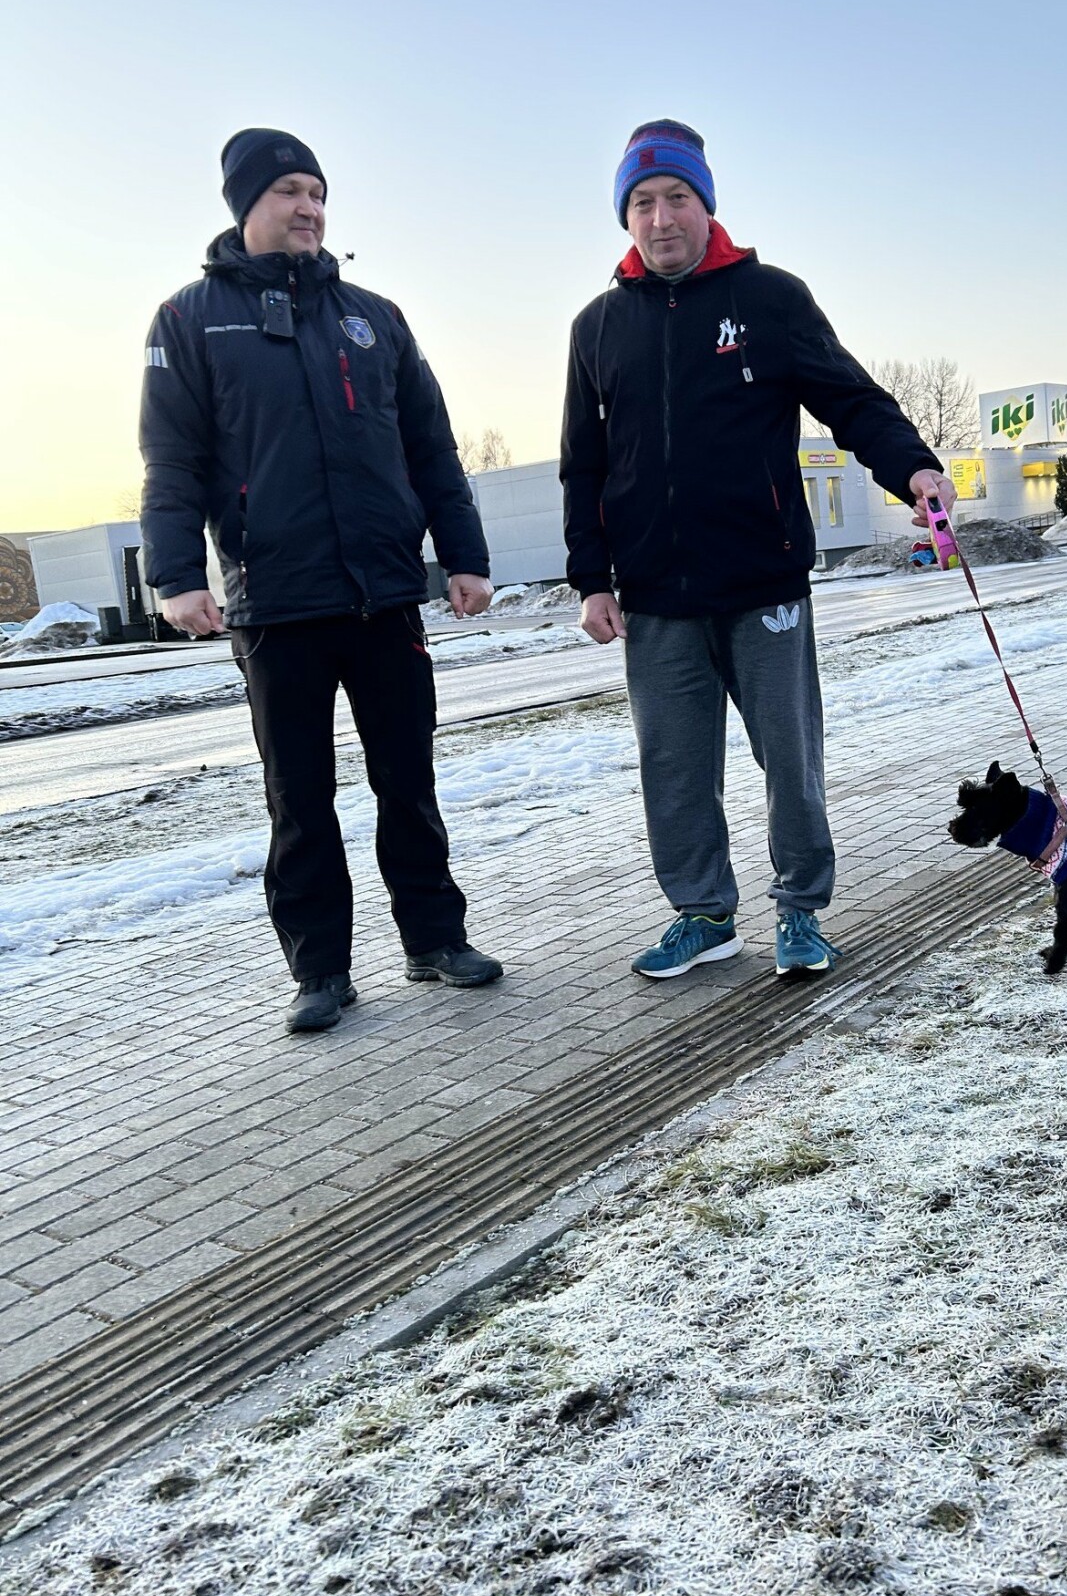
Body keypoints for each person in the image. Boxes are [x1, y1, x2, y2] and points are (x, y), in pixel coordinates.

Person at [560, 119, 956, 981]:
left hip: (762, 580)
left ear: (706, 205)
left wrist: (914, 468)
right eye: (642, 203)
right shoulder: (597, 327)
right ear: (624, 217)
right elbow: (583, 464)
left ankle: (802, 912)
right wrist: (592, 577)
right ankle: (703, 915)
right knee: (673, 766)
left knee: (790, 758)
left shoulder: (770, 297)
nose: (660, 218)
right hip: (656, 594)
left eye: (676, 198)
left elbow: (851, 398)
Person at [140, 128, 502, 1034]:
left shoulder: (374, 316)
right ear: (247, 205)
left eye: (318, 191)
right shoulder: (190, 320)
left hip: (383, 594)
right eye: (290, 191)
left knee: (406, 781)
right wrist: (177, 575)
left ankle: (434, 939)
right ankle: (320, 971)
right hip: (276, 606)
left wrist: (465, 555)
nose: (310, 208)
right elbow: (171, 462)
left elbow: (430, 447)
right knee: (298, 798)